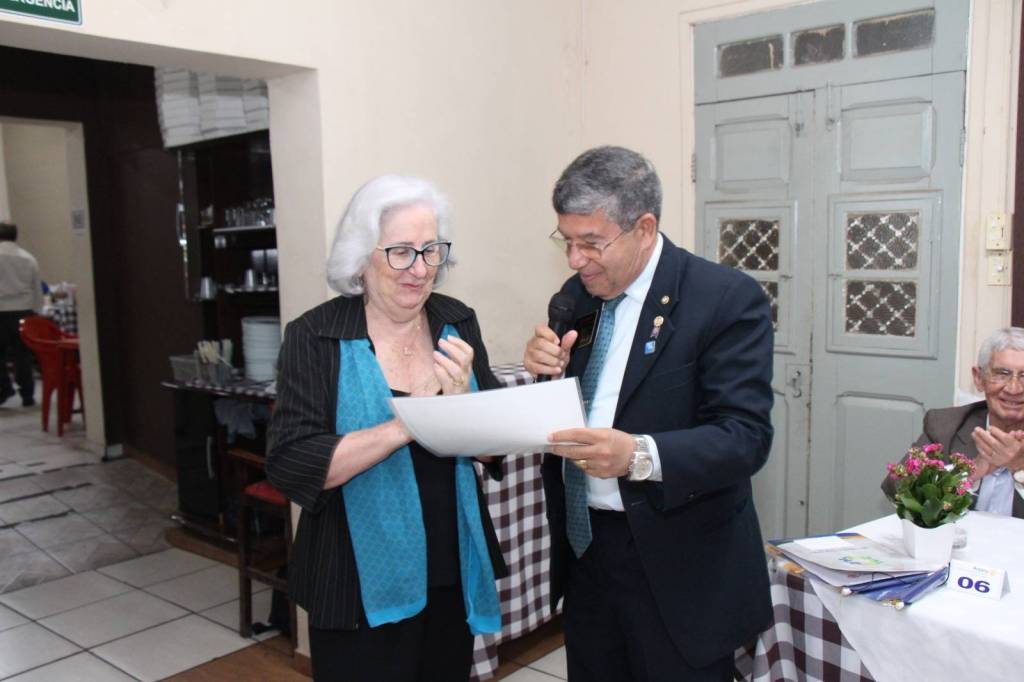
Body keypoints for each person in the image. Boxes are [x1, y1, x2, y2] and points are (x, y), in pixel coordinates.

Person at [524, 146, 774, 681]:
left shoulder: (724, 299)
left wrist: (638, 454)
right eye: (566, 241)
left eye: (591, 243)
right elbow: (574, 402)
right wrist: (545, 370)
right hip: (587, 550)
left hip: (679, 566)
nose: (575, 260)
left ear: (644, 228)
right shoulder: (576, 297)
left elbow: (745, 437)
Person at [266, 175, 506, 682]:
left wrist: (463, 406)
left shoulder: (456, 321)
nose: (420, 269)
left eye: (431, 250)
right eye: (400, 252)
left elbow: (493, 450)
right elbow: (294, 464)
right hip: (354, 582)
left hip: (449, 567)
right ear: (360, 258)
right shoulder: (315, 336)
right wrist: (410, 422)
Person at [882, 327, 1024, 518]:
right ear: (979, 378)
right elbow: (896, 488)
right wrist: (968, 472)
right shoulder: (946, 426)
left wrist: (1019, 467)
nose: (1014, 389)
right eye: (1002, 373)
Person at [0, 221, 41, 407]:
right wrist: (37, 312)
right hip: (24, 310)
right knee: (22, 354)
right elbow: (36, 287)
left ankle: (4, 389)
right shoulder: (28, 258)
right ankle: (27, 394)